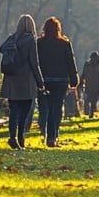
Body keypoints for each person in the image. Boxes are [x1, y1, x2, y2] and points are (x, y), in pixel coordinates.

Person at [0, 14, 45, 149]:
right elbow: (34, 62)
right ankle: (20, 137)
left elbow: (1, 49)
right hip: (26, 80)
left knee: (13, 110)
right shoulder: (31, 40)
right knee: (24, 112)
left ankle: (12, 136)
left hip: (11, 80)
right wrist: (40, 82)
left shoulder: (12, 38)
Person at [35, 16, 80, 148]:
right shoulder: (64, 44)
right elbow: (70, 62)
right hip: (60, 80)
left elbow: (36, 62)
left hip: (44, 80)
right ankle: (53, 135)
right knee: (57, 108)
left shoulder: (39, 44)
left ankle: (45, 130)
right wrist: (74, 78)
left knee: (45, 108)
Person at [81, 51, 99, 117]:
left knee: (88, 98)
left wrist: (81, 82)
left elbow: (83, 74)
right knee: (94, 100)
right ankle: (91, 112)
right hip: (97, 86)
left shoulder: (87, 65)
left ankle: (88, 111)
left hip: (89, 84)